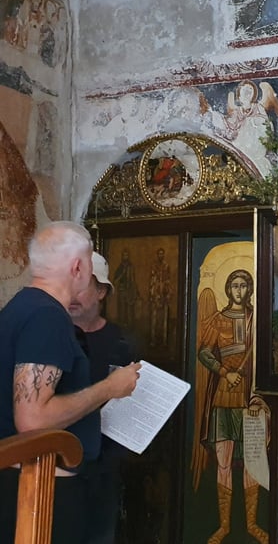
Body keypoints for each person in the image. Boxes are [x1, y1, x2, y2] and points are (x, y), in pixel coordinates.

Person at [0, 221, 141, 544]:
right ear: (78, 267)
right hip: (41, 492)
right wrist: (110, 387)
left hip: (21, 483)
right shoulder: (47, 317)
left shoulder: (21, 308)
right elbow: (32, 419)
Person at [191, 269, 271, 544]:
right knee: (223, 462)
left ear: (250, 289)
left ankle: (252, 525)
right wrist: (224, 371)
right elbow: (202, 351)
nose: (239, 290)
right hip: (224, 396)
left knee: (251, 461)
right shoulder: (219, 320)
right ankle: (223, 526)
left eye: (244, 285)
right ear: (228, 289)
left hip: (249, 397)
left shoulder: (256, 320)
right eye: (235, 285)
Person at [69, 252, 138, 544]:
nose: (73, 294)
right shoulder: (54, 333)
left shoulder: (122, 342)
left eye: (83, 285)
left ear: (102, 291)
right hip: (60, 462)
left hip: (105, 467)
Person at [148, 247, 171, 348]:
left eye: (162, 254)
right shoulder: (154, 266)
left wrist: (168, 293)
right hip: (156, 295)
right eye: (159, 254)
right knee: (154, 320)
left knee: (164, 320)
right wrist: (153, 294)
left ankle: (164, 341)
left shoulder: (166, 266)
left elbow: (168, 280)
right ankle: (153, 340)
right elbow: (152, 281)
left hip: (164, 296)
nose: (161, 255)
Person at [112, 248, 138, 326]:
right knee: (122, 308)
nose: (125, 257)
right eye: (124, 255)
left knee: (129, 308)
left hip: (129, 290)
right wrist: (122, 274)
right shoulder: (120, 267)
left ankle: (130, 325)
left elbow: (133, 279)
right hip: (122, 290)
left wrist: (135, 290)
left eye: (127, 255)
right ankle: (122, 324)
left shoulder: (131, 266)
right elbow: (115, 280)